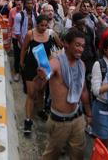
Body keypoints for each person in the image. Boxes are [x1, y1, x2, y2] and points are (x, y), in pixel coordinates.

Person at [37, 28, 93, 160]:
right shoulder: (57, 62)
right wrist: (43, 75)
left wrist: (89, 113)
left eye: (83, 46)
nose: (80, 49)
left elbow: (83, 90)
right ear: (66, 44)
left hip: (78, 118)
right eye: (77, 45)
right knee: (51, 155)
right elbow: (46, 73)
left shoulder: (82, 65)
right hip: (59, 122)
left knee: (78, 153)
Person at [20, 15, 63, 136]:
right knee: (31, 94)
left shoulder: (51, 34)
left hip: (44, 68)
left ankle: (40, 110)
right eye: (41, 25)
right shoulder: (30, 34)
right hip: (31, 67)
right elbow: (24, 49)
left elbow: (60, 46)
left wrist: (54, 56)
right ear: (36, 25)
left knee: (41, 91)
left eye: (46, 25)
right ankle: (28, 120)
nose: (44, 28)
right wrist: (21, 62)